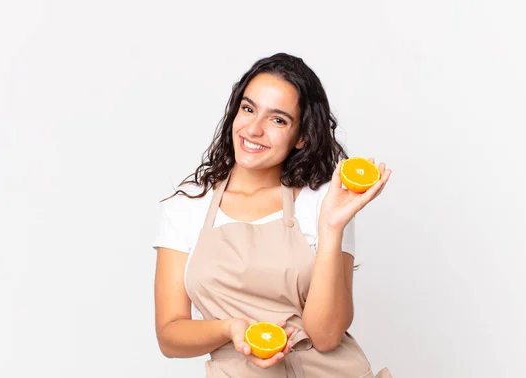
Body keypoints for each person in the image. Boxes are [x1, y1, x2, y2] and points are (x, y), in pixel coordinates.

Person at [152, 52, 393, 377]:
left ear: (301, 137)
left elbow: (326, 336)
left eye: (277, 119)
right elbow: (170, 334)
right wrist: (230, 329)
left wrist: (332, 227)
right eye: (248, 109)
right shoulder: (186, 209)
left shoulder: (325, 203)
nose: (254, 129)